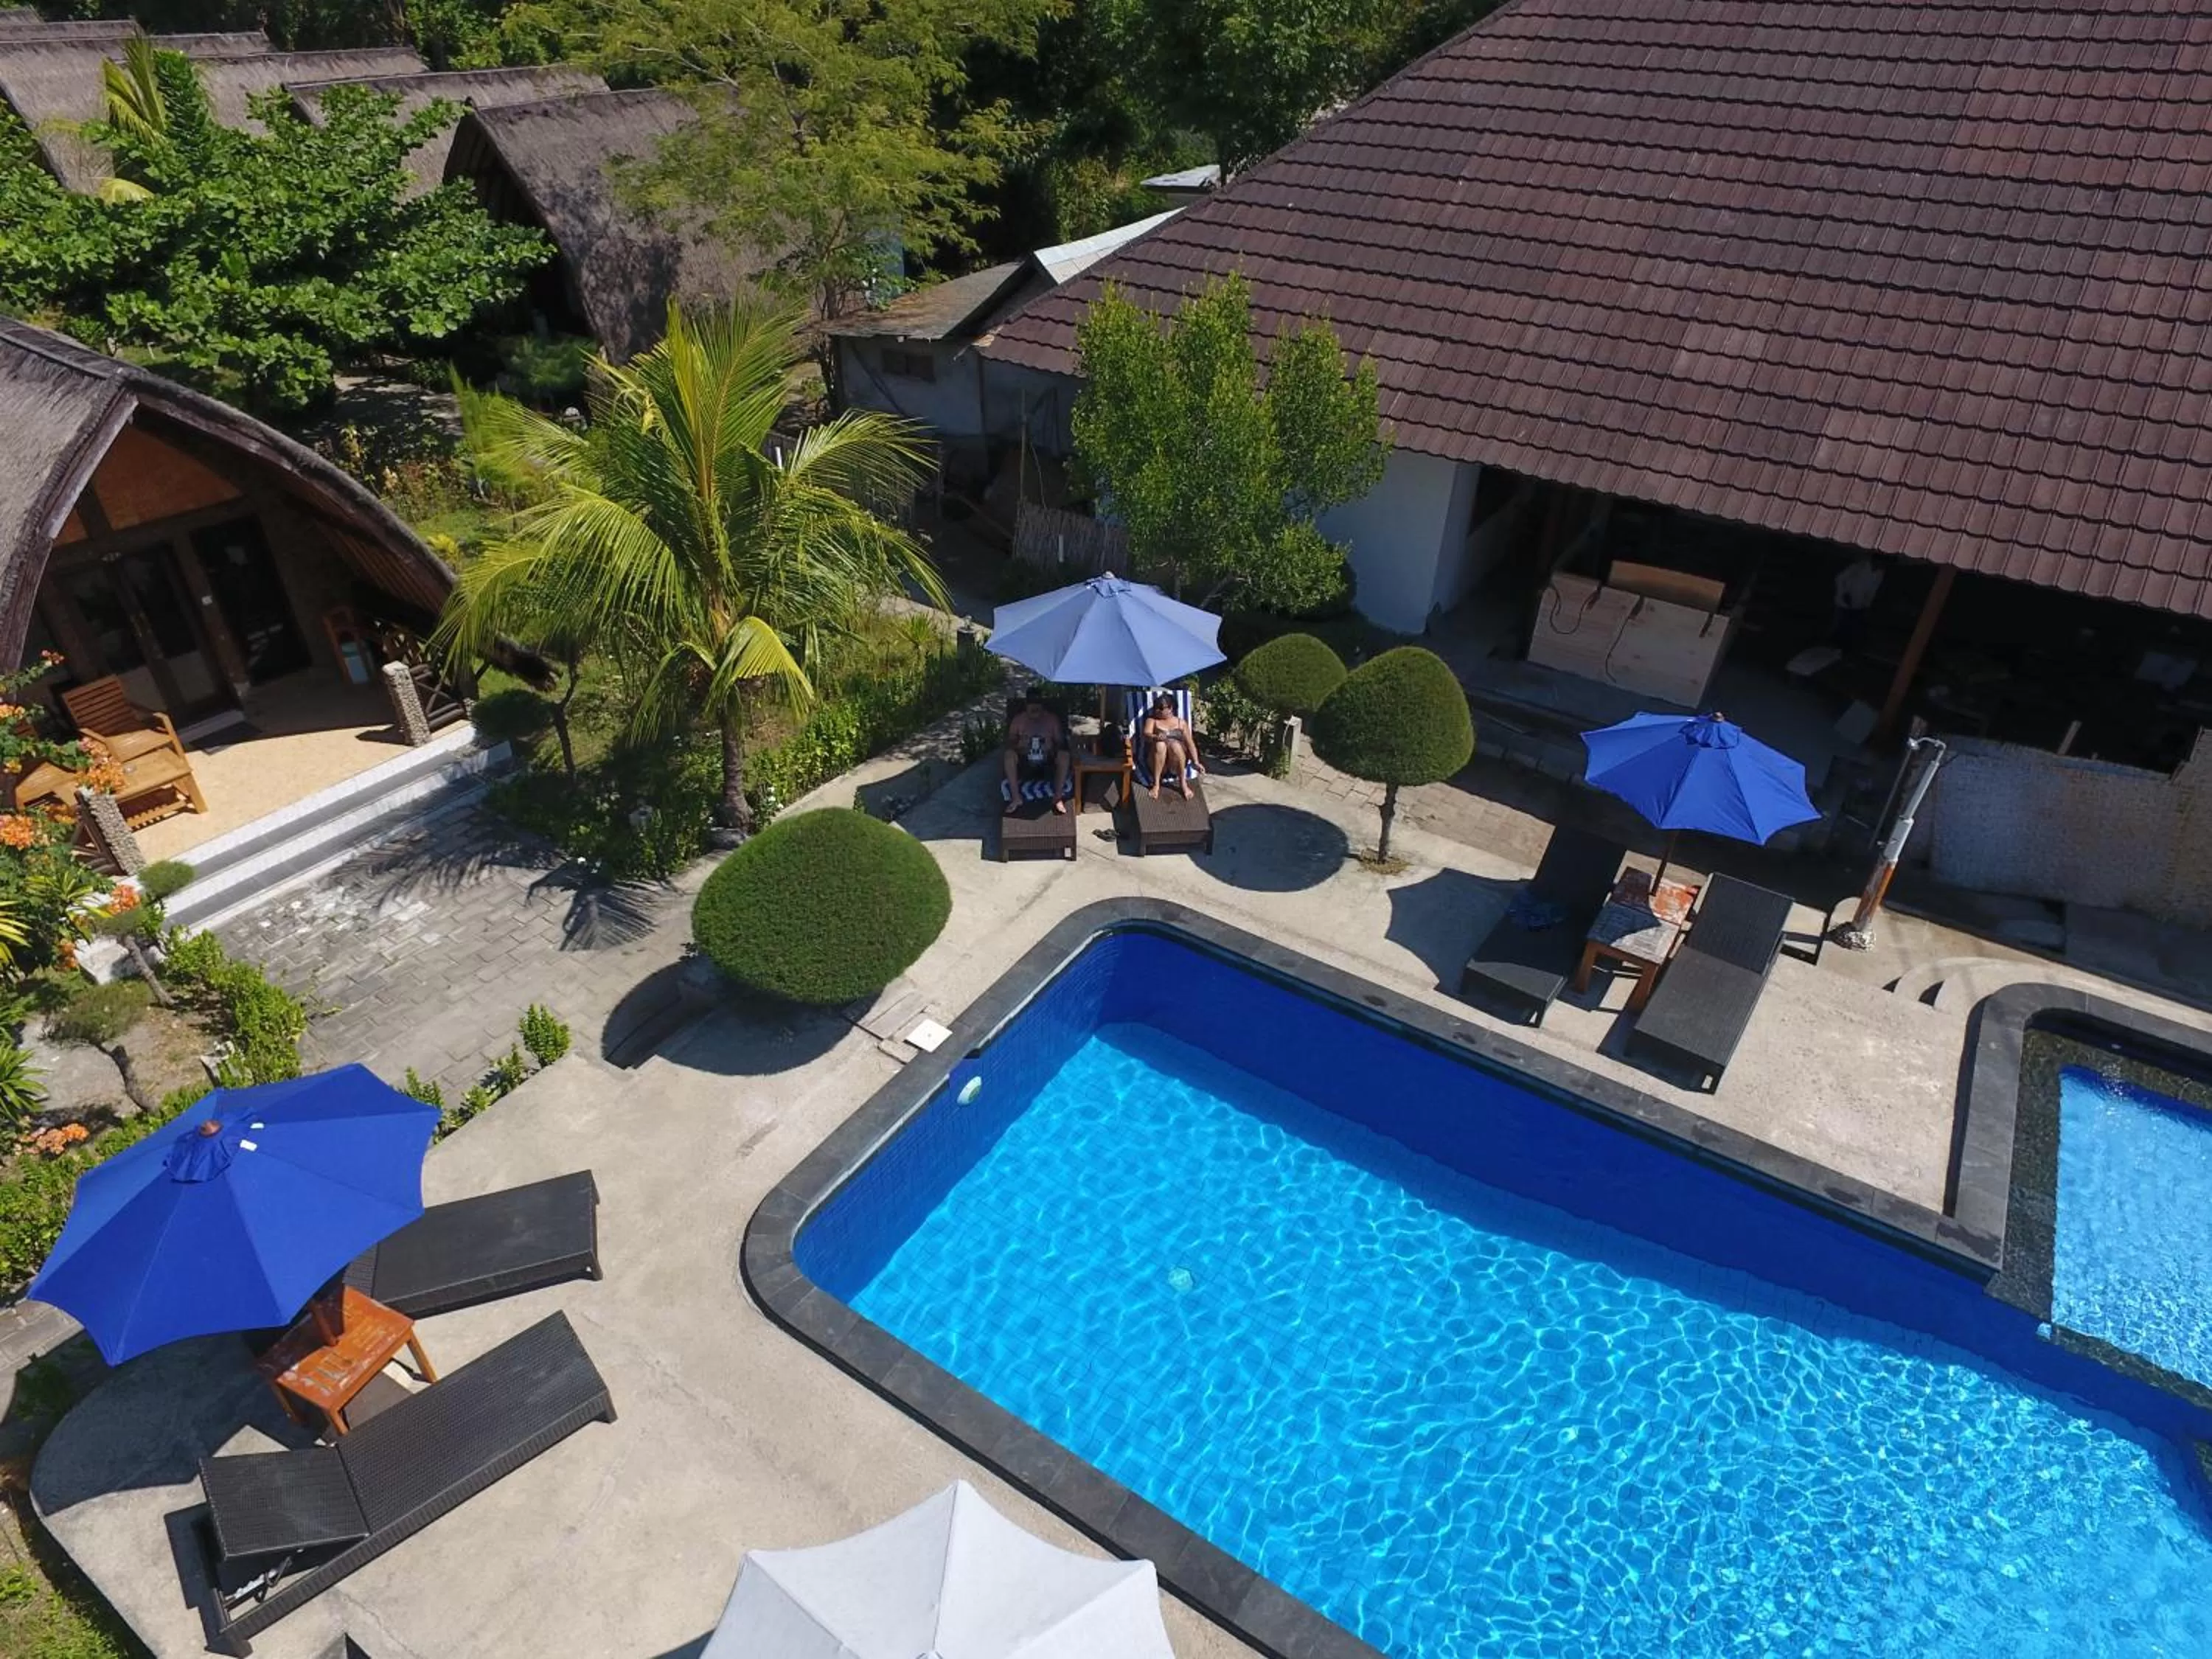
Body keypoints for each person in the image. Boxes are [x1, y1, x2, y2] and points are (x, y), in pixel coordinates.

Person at [1003, 697, 1071, 815]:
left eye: (1038, 710)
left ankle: (1058, 798)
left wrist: (1050, 746)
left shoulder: (1051, 720)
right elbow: (1010, 741)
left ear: (1042, 707)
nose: (1035, 714)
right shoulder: (1019, 720)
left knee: (1064, 756)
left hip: (1047, 761)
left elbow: (1061, 742)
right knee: (1009, 755)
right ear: (1026, 707)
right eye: (1032, 710)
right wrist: (1020, 745)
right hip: (1025, 762)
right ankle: (1016, 798)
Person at [1141, 693, 1202, 800]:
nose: (1157, 711)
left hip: (1175, 765)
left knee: (1175, 746)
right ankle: (1156, 784)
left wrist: (1196, 762)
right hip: (1157, 764)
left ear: (1171, 708)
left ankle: (1183, 784)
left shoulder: (1181, 723)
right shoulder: (1152, 721)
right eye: (1155, 708)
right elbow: (1146, 734)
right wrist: (1155, 737)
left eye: (1160, 708)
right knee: (1160, 745)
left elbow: (1190, 743)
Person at [1832, 554, 1884, 650]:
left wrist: (1868, 606)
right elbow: (1840, 578)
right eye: (1880, 562)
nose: (1881, 565)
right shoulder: (1858, 567)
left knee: (1852, 630)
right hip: (1844, 603)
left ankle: (1846, 649)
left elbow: (1873, 591)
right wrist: (1844, 593)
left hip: (1860, 606)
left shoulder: (1880, 574)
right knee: (1838, 626)